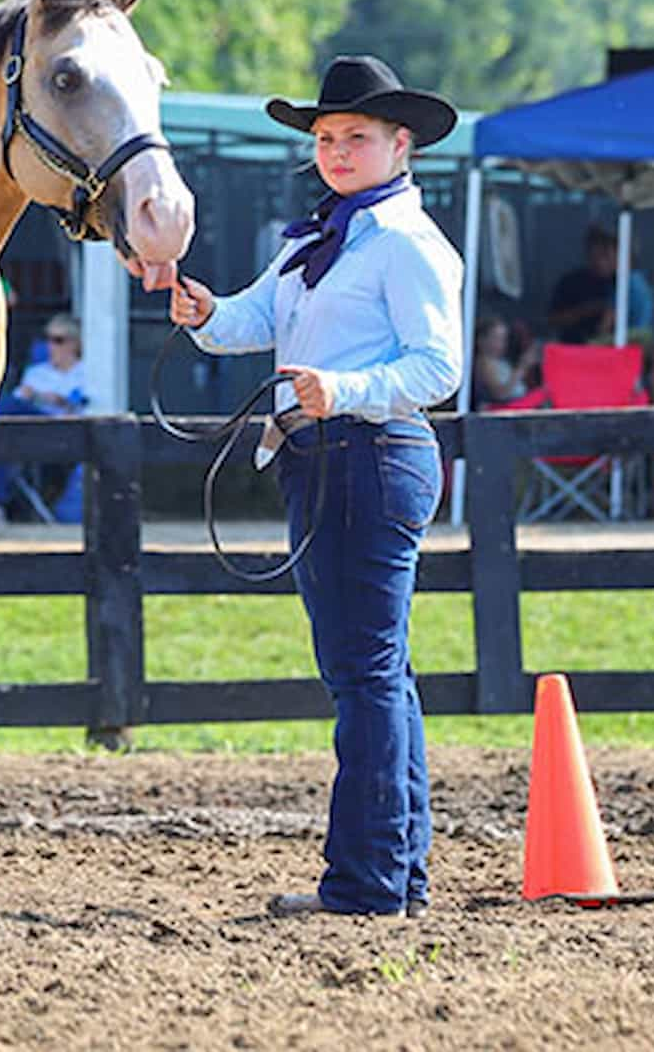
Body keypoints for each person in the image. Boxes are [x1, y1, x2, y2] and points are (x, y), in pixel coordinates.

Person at [170, 55, 463, 918]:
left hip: (369, 451)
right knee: (377, 674)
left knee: (364, 675)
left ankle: (368, 881)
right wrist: (202, 313)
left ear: (400, 145)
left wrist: (347, 389)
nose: (337, 151)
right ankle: (391, 873)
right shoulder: (315, 239)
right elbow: (253, 321)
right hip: (328, 454)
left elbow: (438, 367)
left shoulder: (406, 244)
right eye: (328, 138)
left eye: (355, 138)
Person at [0, 314, 90, 524]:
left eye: (58, 340)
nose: (51, 346)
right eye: (48, 339)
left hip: (63, 432)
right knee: (1, 427)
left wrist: (50, 399)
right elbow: (16, 400)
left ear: (74, 343)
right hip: (27, 429)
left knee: (3, 418)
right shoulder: (37, 372)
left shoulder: (86, 372)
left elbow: (81, 406)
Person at [547, 224, 654, 345]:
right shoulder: (571, 282)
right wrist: (585, 310)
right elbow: (553, 320)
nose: (599, 261)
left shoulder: (625, 284)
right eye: (592, 255)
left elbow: (606, 325)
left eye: (605, 255)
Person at [473, 313, 540, 408]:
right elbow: (500, 394)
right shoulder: (485, 362)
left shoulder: (500, 361)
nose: (501, 343)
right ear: (481, 340)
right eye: (496, 338)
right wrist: (521, 368)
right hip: (498, 412)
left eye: (503, 339)